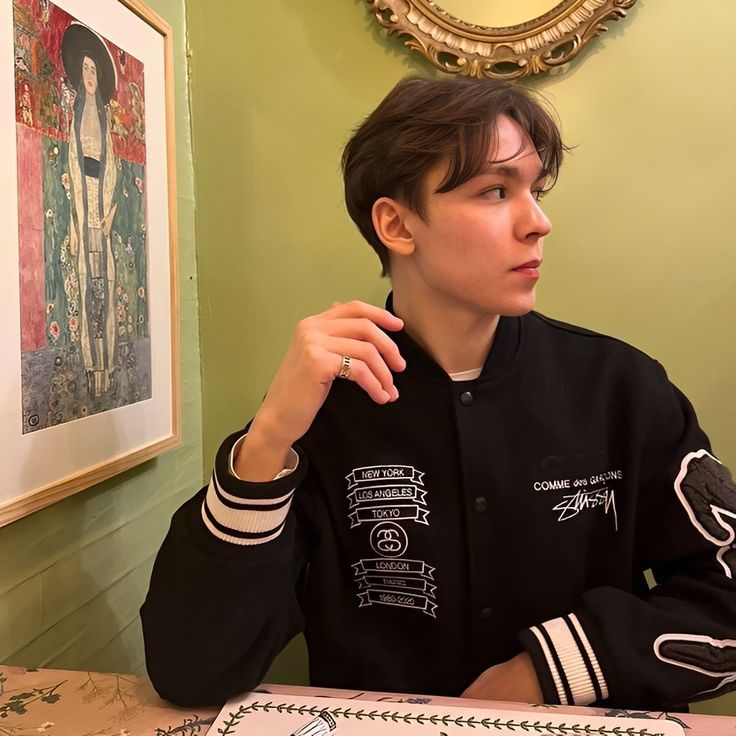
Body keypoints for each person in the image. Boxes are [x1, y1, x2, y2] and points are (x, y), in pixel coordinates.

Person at [141, 77, 736, 710]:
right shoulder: (325, 411)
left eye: (535, 190)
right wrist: (264, 444)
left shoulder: (621, 390)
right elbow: (191, 673)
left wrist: (550, 669)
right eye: (496, 191)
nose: (538, 222)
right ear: (397, 224)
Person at [62, 23, 118, 398]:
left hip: (104, 209)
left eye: (94, 69)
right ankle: (89, 368)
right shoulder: (76, 120)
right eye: (84, 69)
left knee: (107, 287)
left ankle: (107, 371)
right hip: (83, 208)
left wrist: (109, 212)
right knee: (86, 286)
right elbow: (72, 168)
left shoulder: (106, 124)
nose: (90, 75)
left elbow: (112, 167)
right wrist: (76, 224)